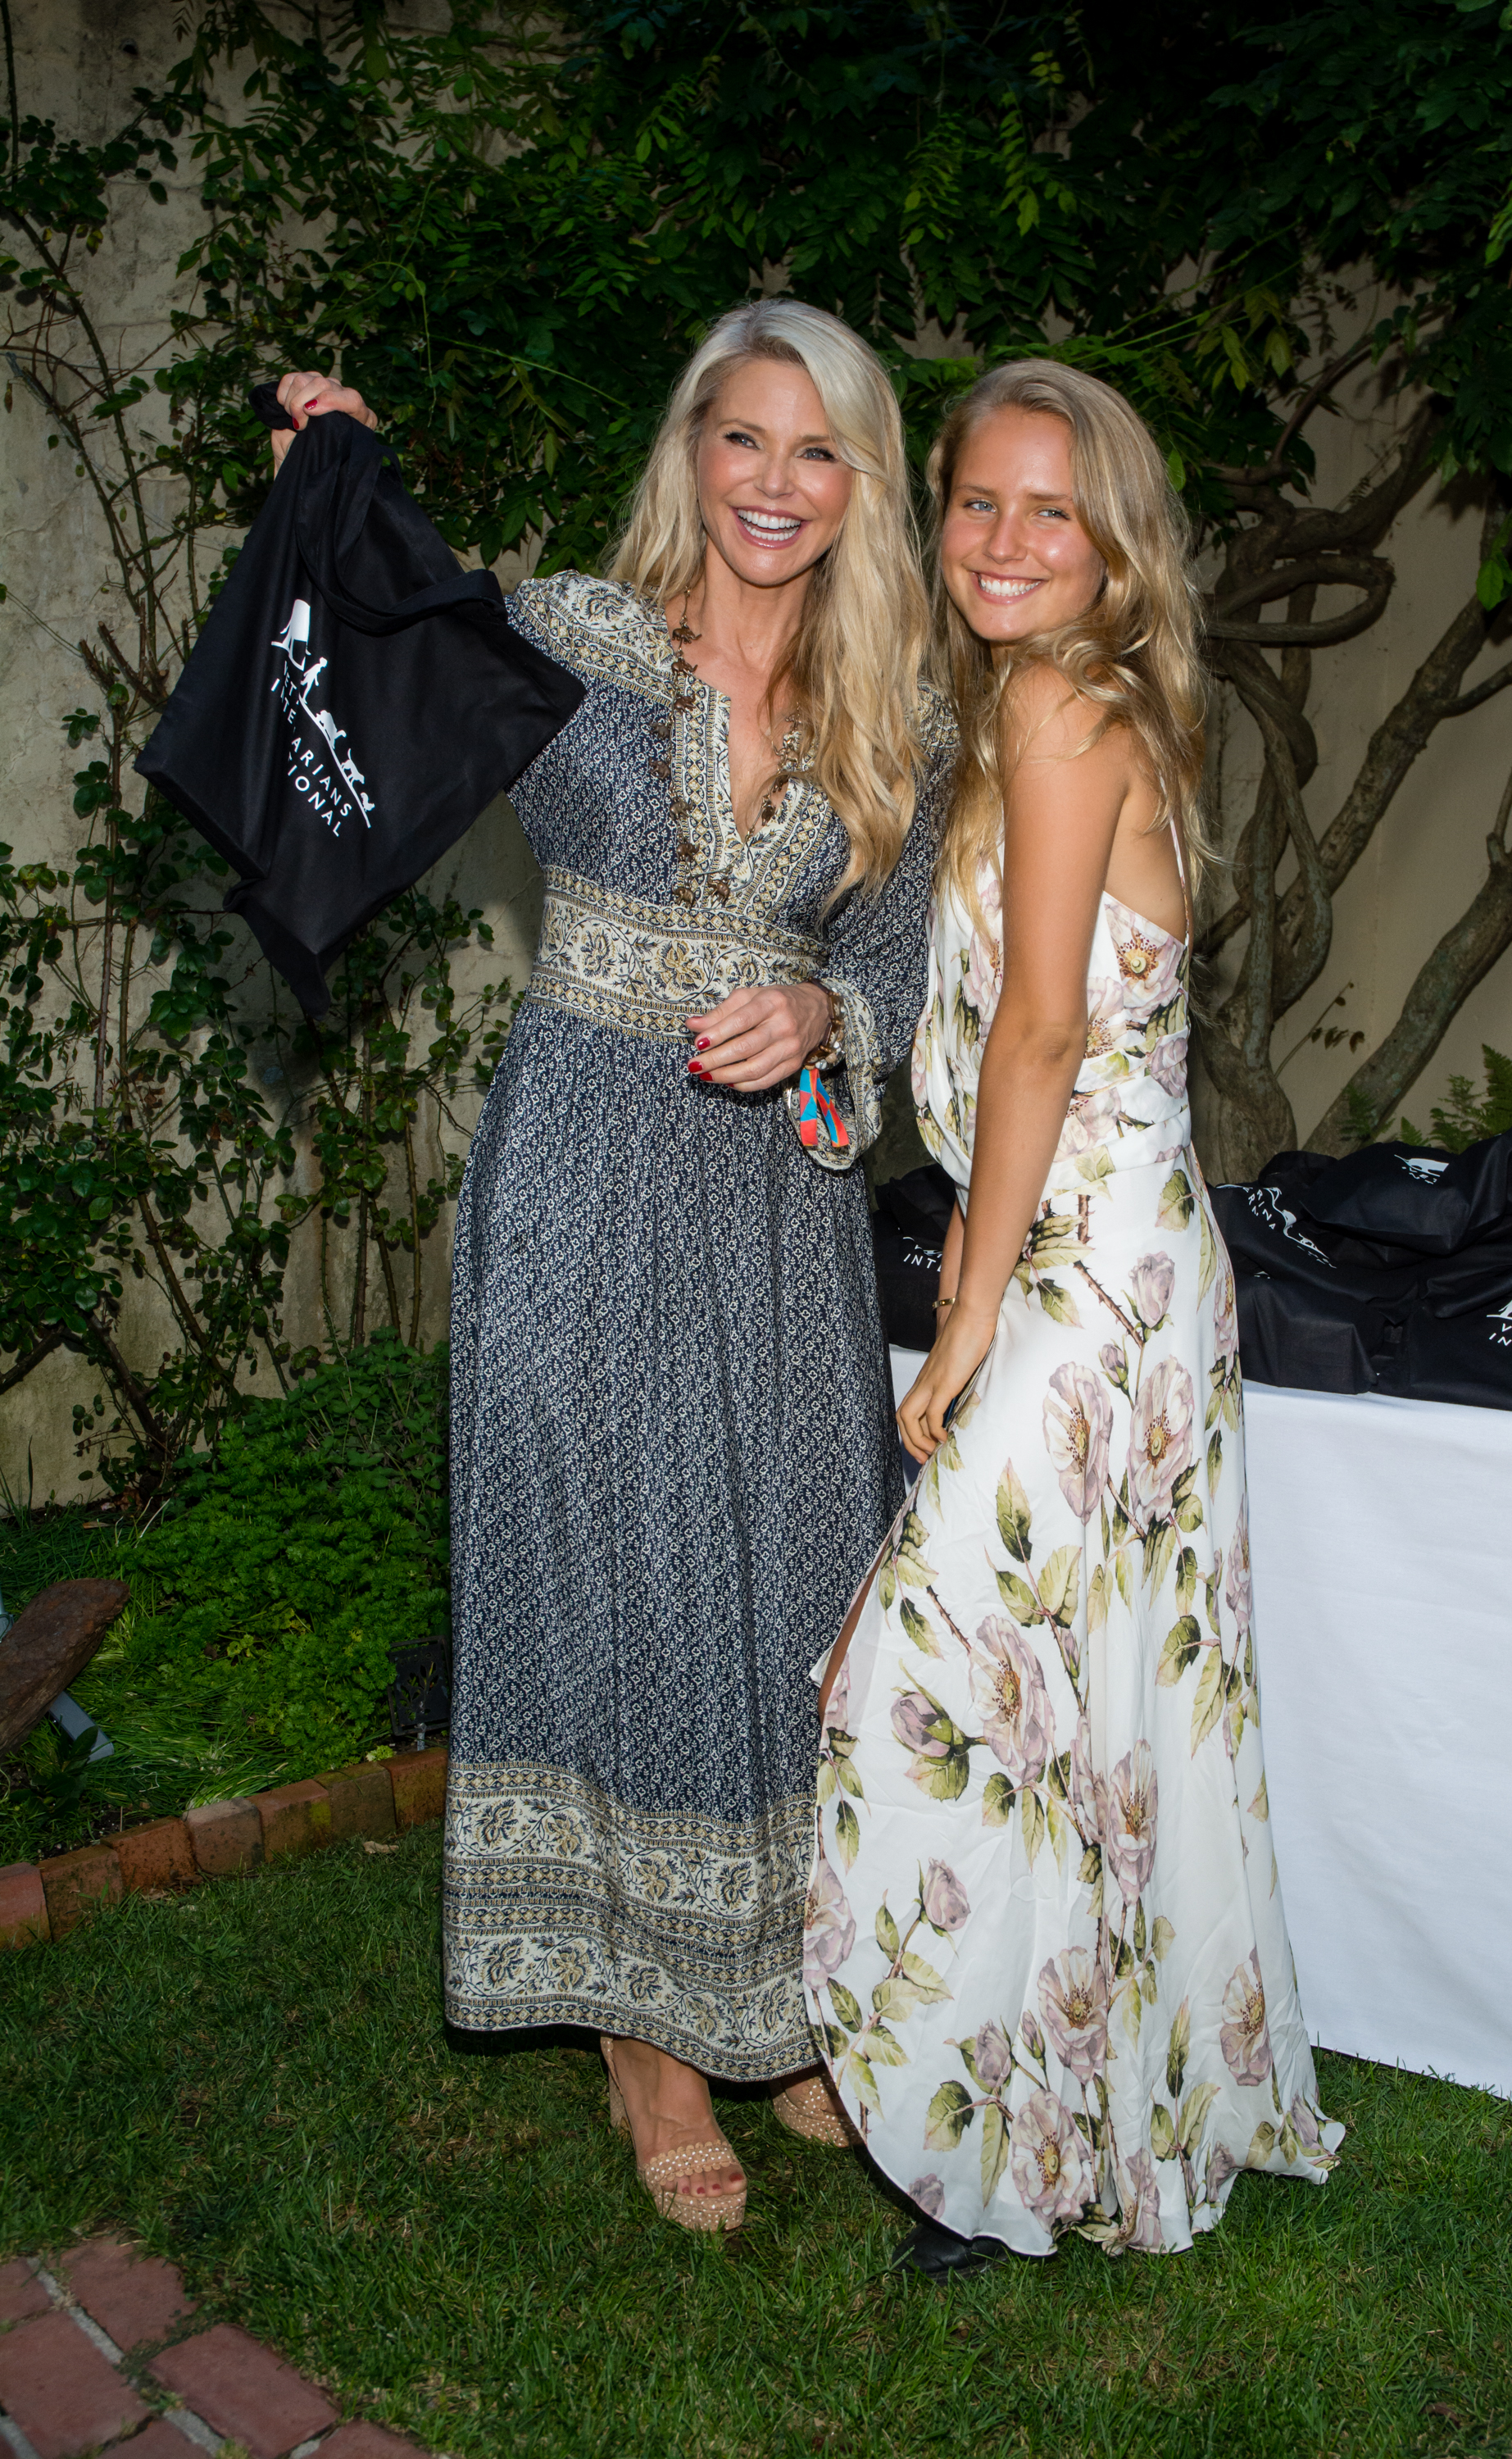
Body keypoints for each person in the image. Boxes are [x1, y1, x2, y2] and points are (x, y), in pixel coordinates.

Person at [271, 300, 952, 2231]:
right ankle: (644, 2054)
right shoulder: (571, 643)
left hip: (772, 1208)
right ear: (691, 451)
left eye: (816, 451)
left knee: (790, 1580)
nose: (773, 483)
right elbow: (399, 656)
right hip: (579, 1169)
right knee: (603, 1559)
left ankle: (774, 2005)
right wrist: (345, 479)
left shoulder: (900, 707)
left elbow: (900, 967)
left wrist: (823, 1011)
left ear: (860, 487)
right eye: (742, 438)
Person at [806, 360, 1343, 2261]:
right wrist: (969, 1271)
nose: (1002, 540)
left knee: (952, 1666)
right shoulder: (1055, 703)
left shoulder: (1055, 704)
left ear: (1113, 545)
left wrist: (960, 1322)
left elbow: (1040, 1030)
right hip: (1105, 1256)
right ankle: (1049, 2104)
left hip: (1088, 1280)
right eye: (974, 501)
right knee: (1075, 1686)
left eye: (1049, 509)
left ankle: (1009, 2120)